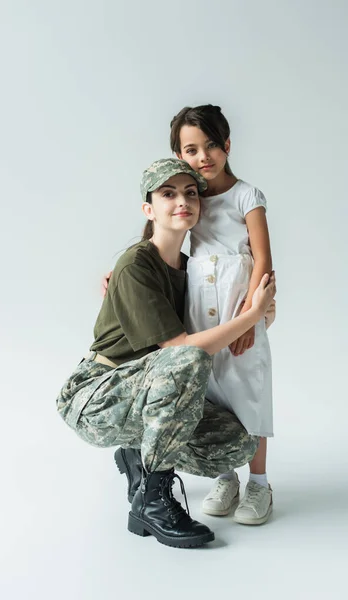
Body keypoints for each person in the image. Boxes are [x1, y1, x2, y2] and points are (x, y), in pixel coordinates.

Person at [57, 158, 276, 549]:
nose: (182, 201)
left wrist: (258, 312)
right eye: (168, 193)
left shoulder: (192, 270)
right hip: (93, 397)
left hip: (142, 395)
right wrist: (251, 317)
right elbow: (180, 351)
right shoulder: (135, 264)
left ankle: (135, 455)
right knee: (188, 358)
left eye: (190, 193)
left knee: (237, 443)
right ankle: (153, 502)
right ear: (149, 209)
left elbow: (224, 320)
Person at [169, 104, 275, 525]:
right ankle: (225, 476)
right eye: (192, 149)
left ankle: (260, 485)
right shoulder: (188, 199)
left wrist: (251, 317)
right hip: (200, 315)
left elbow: (263, 259)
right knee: (211, 398)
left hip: (240, 309)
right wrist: (120, 271)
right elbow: (162, 246)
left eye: (211, 145)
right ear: (180, 156)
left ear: (227, 145)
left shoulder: (247, 196)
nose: (203, 157)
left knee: (249, 393)